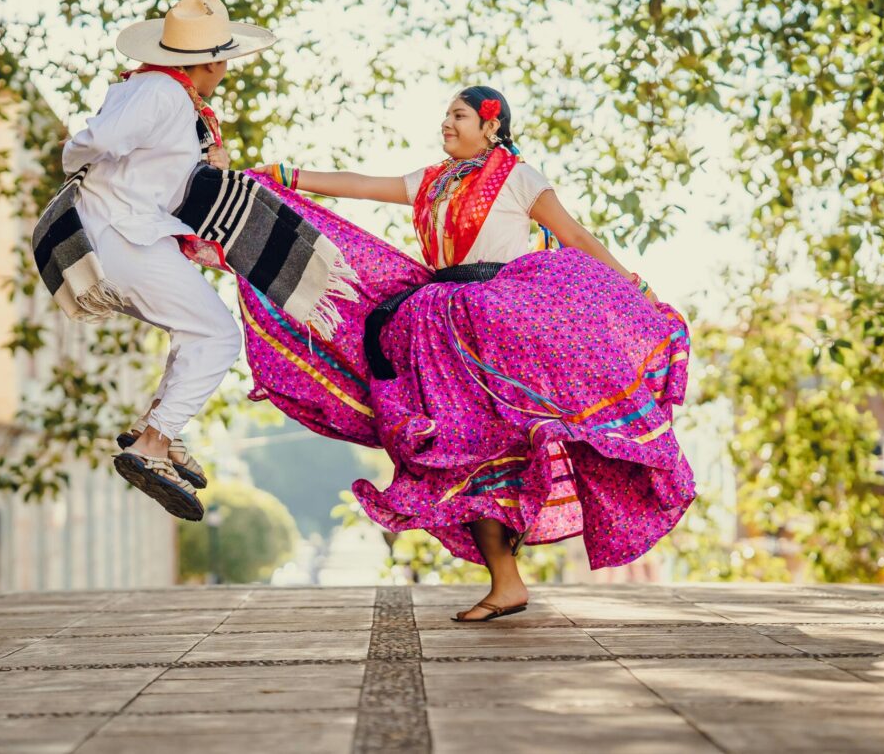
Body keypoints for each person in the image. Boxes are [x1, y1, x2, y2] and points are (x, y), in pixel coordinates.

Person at [240, 87, 694, 621]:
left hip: (500, 320)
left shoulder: (519, 177)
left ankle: (534, 544)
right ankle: (507, 583)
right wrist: (286, 177)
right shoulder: (431, 180)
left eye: (459, 115)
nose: (447, 124)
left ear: (491, 124)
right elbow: (361, 185)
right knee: (463, 450)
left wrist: (633, 286)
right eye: (446, 115)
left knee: (509, 441)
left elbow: (573, 235)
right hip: (437, 329)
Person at [37, 0, 277, 521]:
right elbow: (93, 142)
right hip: (126, 236)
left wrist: (206, 160)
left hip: (124, 236)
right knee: (217, 335)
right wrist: (87, 164)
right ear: (212, 60)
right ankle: (152, 444)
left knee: (194, 329)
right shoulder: (161, 95)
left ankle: (157, 429)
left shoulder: (162, 94)